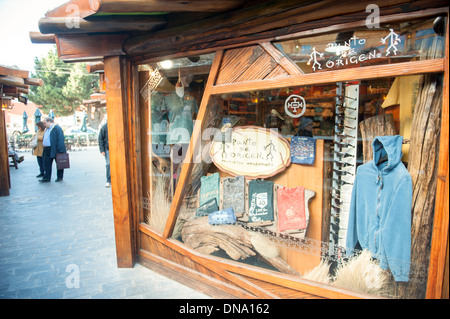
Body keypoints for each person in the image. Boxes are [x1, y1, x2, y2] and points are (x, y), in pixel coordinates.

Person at [40, 117, 67, 183]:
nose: (44, 124)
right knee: (46, 163)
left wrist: (61, 150)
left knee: (59, 163)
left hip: (55, 148)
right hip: (47, 149)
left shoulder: (57, 128)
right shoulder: (46, 129)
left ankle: (59, 177)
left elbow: (61, 139)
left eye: (45, 123)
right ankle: (47, 177)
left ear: (49, 122)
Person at [98, 121, 110, 188]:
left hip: (114, 149)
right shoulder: (104, 127)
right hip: (107, 149)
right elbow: (100, 139)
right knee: (108, 164)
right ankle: (108, 180)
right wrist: (102, 150)